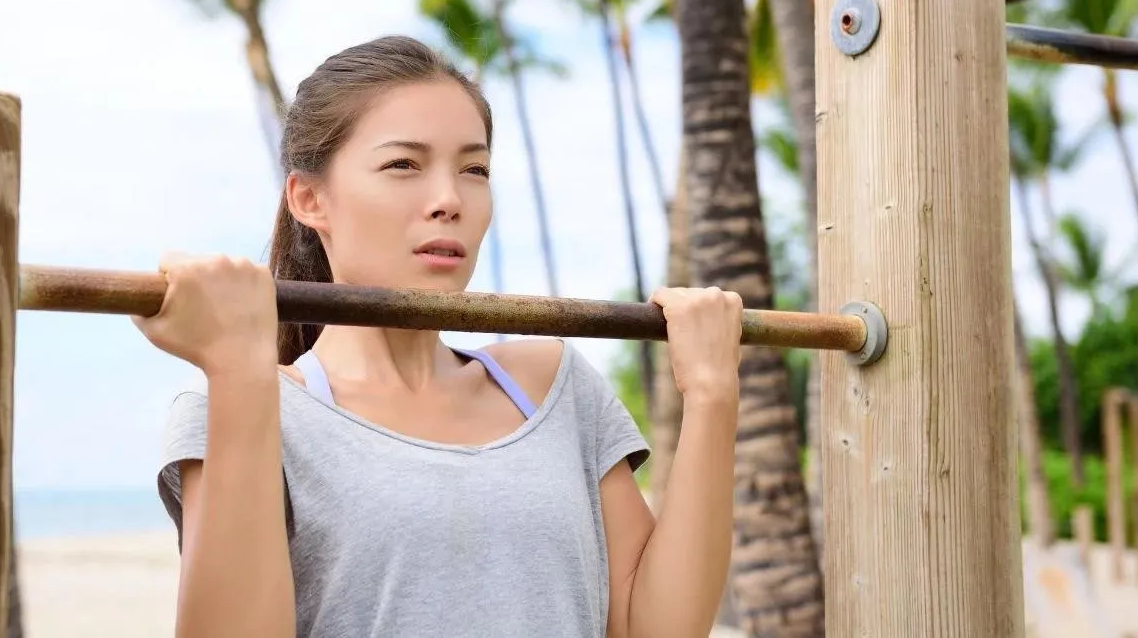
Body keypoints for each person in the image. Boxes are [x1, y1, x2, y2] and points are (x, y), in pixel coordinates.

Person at [138, 35, 744, 638]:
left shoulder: (552, 388)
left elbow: (656, 628)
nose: (449, 199)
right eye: (403, 164)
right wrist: (239, 370)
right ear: (309, 198)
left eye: (474, 169)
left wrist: (713, 393)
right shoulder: (245, 408)